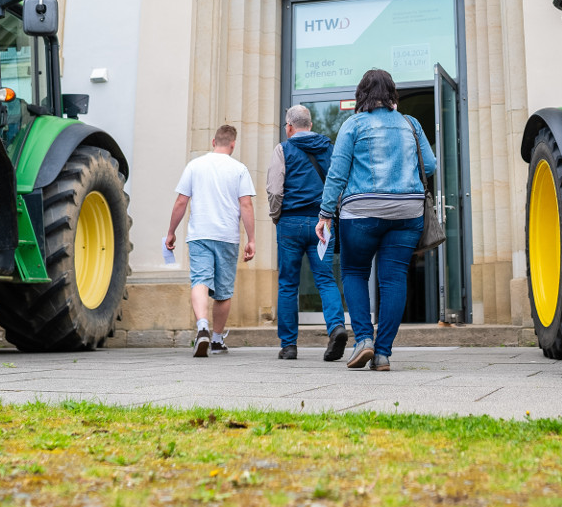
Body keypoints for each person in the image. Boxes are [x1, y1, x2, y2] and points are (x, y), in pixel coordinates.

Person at [316, 69, 436, 372]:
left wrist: (325, 214)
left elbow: (338, 173)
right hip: (408, 212)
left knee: (355, 271)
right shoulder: (412, 124)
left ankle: (364, 341)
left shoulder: (354, 124)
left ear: (362, 94)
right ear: (392, 94)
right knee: (394, 278)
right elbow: (431, 165)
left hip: (362, 212)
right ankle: (382, 354)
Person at [166, 124, 256, 358]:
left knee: (199, 280)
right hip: (227, 236)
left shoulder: (195, 166)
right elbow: (246, 204)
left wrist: (171, 232)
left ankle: (202, 327)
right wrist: (251, 239)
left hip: (200, 234)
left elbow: (180, 202)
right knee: (223, 292)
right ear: (233, 145)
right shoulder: (239, 169)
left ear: (213, 142)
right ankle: (216, 339)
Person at [268, 105, 348, 362]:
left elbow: (274, 190)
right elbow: (338, 183)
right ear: (310, 125)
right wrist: (332, 214)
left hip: (290, 223)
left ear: (289, 127)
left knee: (288, 283)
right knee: (326, 280)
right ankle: (336, 328)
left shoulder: (283, 149)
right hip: (321, 223)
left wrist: (276, 216)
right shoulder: (327, 147)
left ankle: (289, 345)